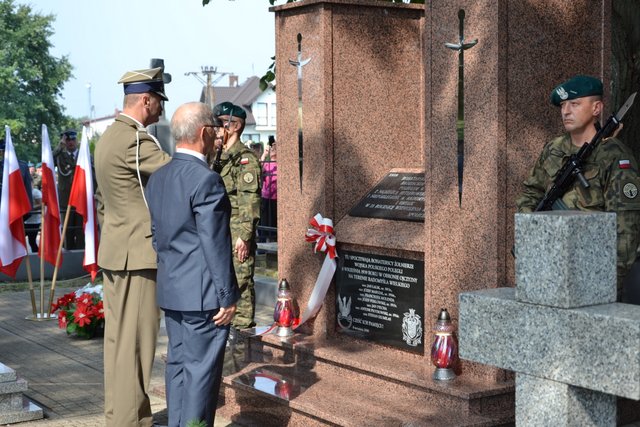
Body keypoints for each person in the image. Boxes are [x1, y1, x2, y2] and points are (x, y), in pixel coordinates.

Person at [146, 102, 239, 427]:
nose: (219, 136)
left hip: (173, 290)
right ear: (204, 133)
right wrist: (227, 296)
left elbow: (157, 236)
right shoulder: (206, 180)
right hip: (203, 297)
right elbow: (215, 244)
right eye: (216, 129)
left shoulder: (158, 177)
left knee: (178, 367)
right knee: (201, 373)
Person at [516, 75, 640, 300]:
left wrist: (608, 282)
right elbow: (531, 193)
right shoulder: (554, 149)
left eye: (574, 104)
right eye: (563, 105)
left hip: (593, 268)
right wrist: (530, 235)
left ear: (596, 108)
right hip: (550, 263)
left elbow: (626, 227)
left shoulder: (614, 155)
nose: (566, 111)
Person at [94, 66, 171, 427]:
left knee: (119, 344)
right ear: (145, 100)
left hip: (117, 252)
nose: (161, 109)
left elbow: (102, 202)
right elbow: (177, 175)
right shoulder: (136, 140)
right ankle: (129, 421)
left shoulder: (109, 136)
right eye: (158, 101)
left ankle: (125, 416)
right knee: (136, 346)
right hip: (137, 257)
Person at [212, 101, 261, 332]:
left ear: (235, 126)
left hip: (237, 232)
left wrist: (245, 235)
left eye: (221, 123)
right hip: (221, 231)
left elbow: (249, 199)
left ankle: (243, 336)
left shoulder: (244, 159)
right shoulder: (221, 157)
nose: (217, 129)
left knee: (241, 282)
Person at [53, 129, 83, 249]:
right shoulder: (60, 157)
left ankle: (81, 255)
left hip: (81, 199)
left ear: (77, 140)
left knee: (81, 231)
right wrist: (60, 146)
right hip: (66, 200)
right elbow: (48, 160)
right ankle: (69, 254)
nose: (71, 142)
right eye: (68, 140)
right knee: (67, 231)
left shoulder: (84, 155)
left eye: (73, 139)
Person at [260, 136, 277, 241]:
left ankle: (274, 239)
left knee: (275, 222)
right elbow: (258, 171)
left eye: (275, 148)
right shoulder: (266, 164)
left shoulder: (281, 164)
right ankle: (263, 241)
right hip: (266, 197)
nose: (273, 150)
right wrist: (264, 155)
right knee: (265, 222)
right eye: (272, 148)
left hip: (277, 198)